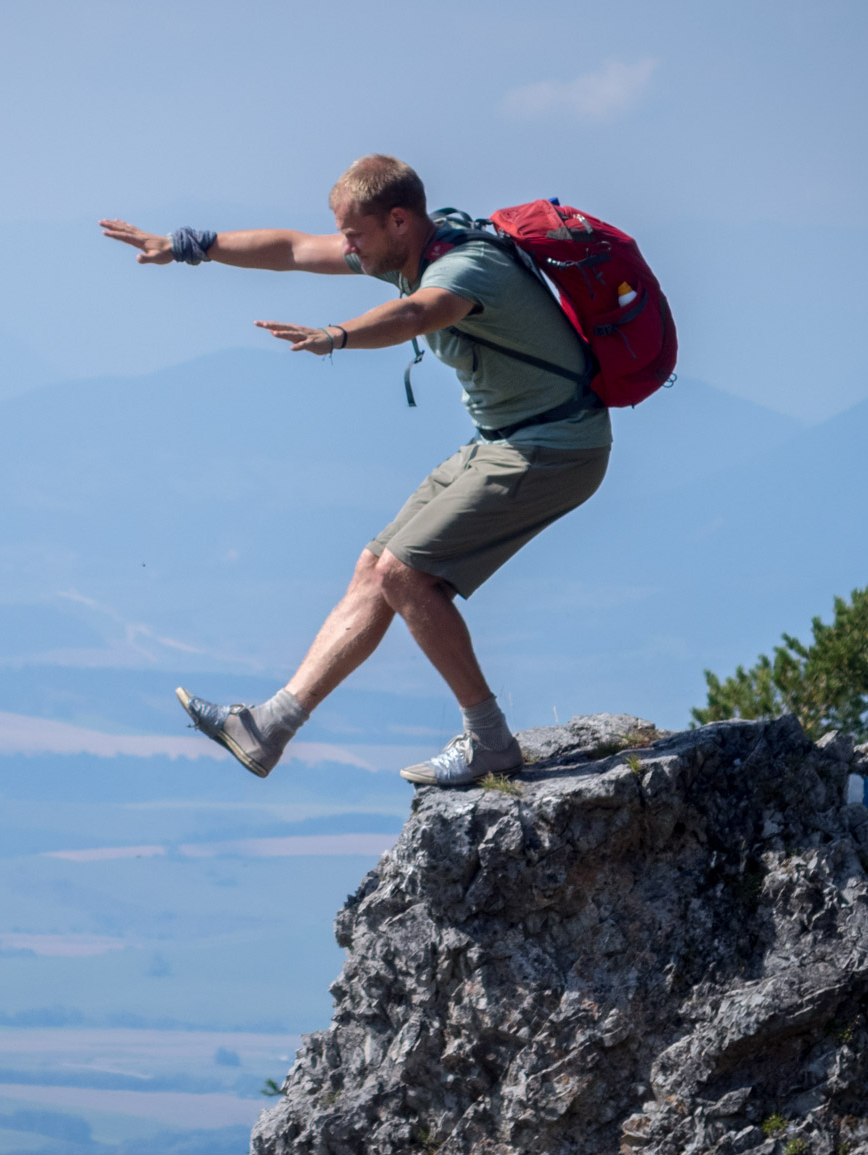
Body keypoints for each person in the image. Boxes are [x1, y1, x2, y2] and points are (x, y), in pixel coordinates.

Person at [99, 154, 611, 786]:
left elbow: (415, 316)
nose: (345, 248)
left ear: (399, 220)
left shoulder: (463, 267)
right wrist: (184, 246)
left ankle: (491, 743)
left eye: (354, 235)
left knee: (407, 574)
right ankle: (268, 727)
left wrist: (337, 335)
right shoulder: (408, 251)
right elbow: (290, 249)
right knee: (377, 568)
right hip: (503, 441)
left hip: (557, 446)